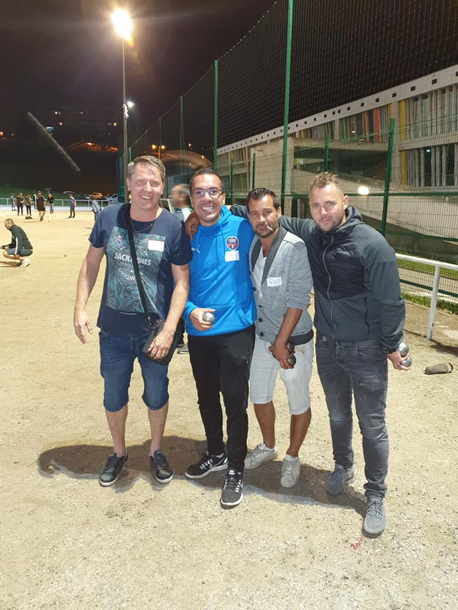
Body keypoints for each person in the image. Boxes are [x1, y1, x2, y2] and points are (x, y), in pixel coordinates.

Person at [231, 172, 407, 537]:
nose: (323, 212)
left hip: (365, 348)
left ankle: (375, 494)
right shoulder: (312, 233)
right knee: (339, 415)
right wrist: (206, 212)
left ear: (345, 202)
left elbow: (391, 300)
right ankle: (342, 467)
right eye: (316, 205)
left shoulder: (371, 244)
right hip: (327, 345)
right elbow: (265, 217)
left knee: (372, 424)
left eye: (330, 204)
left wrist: (391, 344)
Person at [74, 156, 191, 488]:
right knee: (113, 397)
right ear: (128, 184)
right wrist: (79, 307)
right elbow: (91, 264)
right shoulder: (108, 218)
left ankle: (155, 451)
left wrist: (169, 330)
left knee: (156, 394)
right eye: (140, 182)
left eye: (154, 183)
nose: (147, 189)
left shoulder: (172, 226)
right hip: (112, 331)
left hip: (153, 334)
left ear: (162, 186)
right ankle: (119, 451)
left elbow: (182, 282)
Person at [184, 168, 256, 509]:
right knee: (206, 398)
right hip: (199, 332)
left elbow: (275, 223)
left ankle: (236, 468)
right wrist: (189, 310)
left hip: (236, 332)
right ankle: (216, 452)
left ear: (224, 197)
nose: (207, 198)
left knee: (235, 403)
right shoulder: (185, 233)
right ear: (191, 198)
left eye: (213, 192)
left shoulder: (243, 227)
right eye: (199, 193)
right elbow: (173, 284)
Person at [243, 188, 314, 488]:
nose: (262, 219)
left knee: (297, 400)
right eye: (255, 214)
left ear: (279, 212)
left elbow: (298, 299)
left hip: (292, 340)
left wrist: (282, 343)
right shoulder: (253, 245)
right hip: (264, 337)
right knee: (259, 395)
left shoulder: (294, 247)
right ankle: (268, 446)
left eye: (267, 212)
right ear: (248, 217)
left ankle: (292, 456)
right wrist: (193, 215)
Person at [169, 184, 193, 354]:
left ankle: (183, 340)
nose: (170, 196)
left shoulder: (185, 217)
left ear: (182, 197)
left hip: (184, 268)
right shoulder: (179, 215)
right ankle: (178, 339)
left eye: (174, 193)